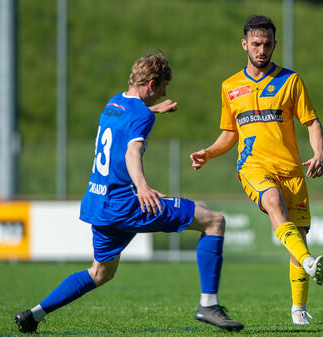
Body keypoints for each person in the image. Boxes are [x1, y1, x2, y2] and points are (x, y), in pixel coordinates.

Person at [14, 52, 243, 333]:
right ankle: (208, 304)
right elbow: (132, 150)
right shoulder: (141, 116)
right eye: (162, 88)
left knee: (100, 273)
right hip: (127, 204)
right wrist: (143, 187)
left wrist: (154, 110)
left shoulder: (114, 103)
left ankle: (33, 315)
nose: (163, 94)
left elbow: (126, 124)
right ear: (151, 84)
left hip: (99, 204)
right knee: (214, 221)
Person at [190, 15, 323, 326]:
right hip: (253, 165)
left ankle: (299, 310)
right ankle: (309, 262)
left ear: (274, 45)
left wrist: (319, 152)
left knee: (298, 237)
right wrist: (210, 152)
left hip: (292, 170)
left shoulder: (291, 81)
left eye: (267, 44)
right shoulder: (230, 86)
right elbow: (229, 133)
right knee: (272, 200)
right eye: (256, 44)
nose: (261, 49)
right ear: (244, 45)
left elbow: (312, 122)